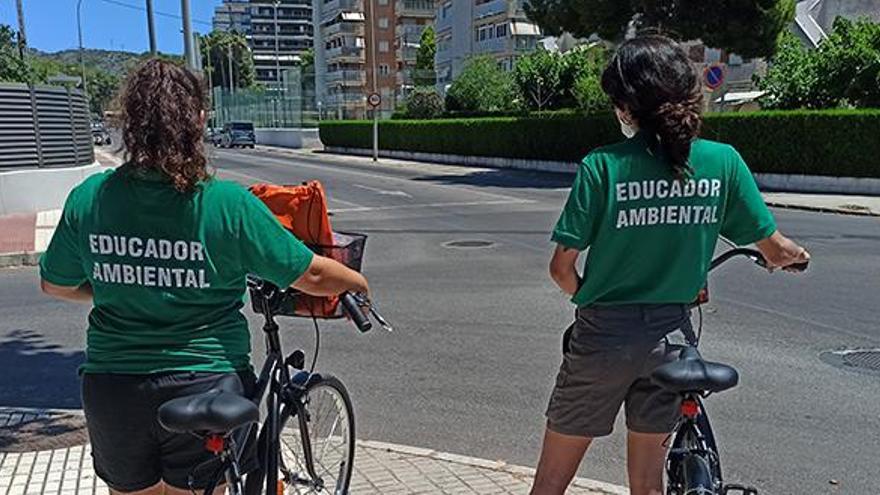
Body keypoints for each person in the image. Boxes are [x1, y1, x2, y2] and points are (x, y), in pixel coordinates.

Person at [39, 59, 369, 495]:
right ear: (197, 122)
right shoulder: (226, 204)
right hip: (204, 381)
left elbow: (55, 283)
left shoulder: (90, 199)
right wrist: (357, 283)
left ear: (130, 124)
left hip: (114, 389)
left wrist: (116, 288)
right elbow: (309, 273)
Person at [530, 35, 810, 495]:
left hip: (602, 338)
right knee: (648, 486)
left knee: (551, 485)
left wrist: (588, 295)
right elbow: (775, 250)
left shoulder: (603, 166)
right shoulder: (723, 162)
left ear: (626, 106)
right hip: (673, 341)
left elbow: (561, 268)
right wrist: (799, 257)